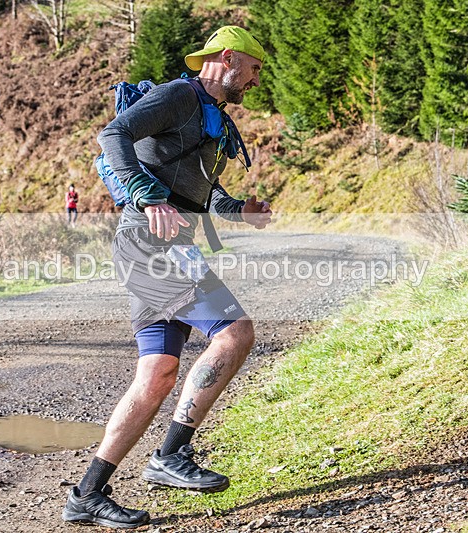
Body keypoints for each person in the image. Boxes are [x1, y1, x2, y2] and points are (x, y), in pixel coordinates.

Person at [62, 26, 273, 529]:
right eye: (255, 68)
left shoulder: (210, 115)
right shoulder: (180, 95)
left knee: (155, 375)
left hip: (168, 241)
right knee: (234, 333)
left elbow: (198, 189)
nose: (256, 80)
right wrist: (144, 193)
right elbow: (113, 135)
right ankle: (170, 456)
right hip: (150, 242)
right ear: (229, 58)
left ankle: (86, 495)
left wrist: (237, 209)